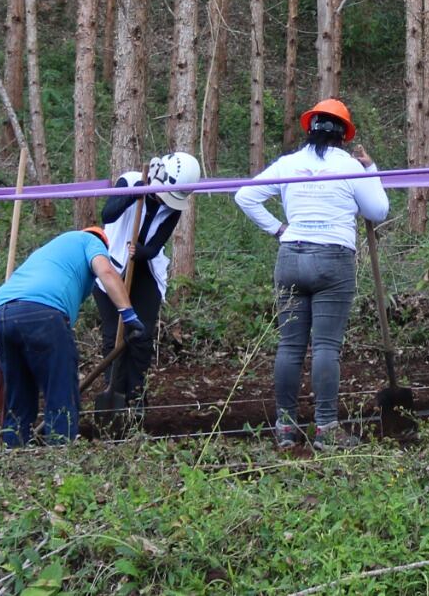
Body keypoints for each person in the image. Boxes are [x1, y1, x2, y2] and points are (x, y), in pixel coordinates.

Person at [235, 98, 388, 449]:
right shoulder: (349, 166)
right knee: (325, 346)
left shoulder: (289, 163)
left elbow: (245, 196)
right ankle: (326, 428)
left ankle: (285, 427)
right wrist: (370, 169)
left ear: (309, 129)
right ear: (345, 136)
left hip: (291, 256)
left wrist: (278, 230)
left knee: (290, 346)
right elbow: (378, 210)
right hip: (333, 259)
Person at [0, 225, 141, 446]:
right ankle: (59, 457)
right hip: (41, 312)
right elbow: (106, 272)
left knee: (18, 395)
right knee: (61, 389)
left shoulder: (49, 251)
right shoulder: (90, 241)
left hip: (0, 313)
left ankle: (13, 456)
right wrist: (129, 315)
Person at [89, 148, 201, 429]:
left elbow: (157, 244)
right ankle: (112, 391)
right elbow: (108, 214)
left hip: (144, 272)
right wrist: (135, 194)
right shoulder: (129, 181)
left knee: (140, 335)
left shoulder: (173, 206)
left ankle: (135, 397)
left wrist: (143, 252)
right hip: (112, 269)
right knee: (113, 336)